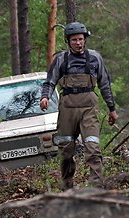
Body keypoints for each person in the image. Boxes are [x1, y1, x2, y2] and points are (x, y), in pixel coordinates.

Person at [40, 21, 119, 190]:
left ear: (85, 40)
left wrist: (112, 109)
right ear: (68, 41)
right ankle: (67, 187)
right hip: (67, 108)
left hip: (89, 108)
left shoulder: (95, 58)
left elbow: (105, 84)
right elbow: (49, 82)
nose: (78, 43)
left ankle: (96, 188)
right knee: (66, 150)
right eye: (74, 40)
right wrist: (45, 98)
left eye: (81, 39)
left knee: (93, 147)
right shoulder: (60, 59)